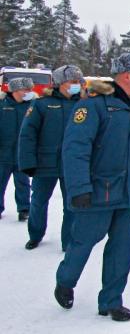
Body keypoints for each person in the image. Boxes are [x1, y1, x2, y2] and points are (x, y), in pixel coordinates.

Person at [54, 53, 130, 322]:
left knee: (121, 251)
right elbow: (75, 149)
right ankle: (65, 280)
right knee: (83, 242)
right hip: (98, 190)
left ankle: (111, 301)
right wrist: (79, 188)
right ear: (126, 76)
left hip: (128, 191)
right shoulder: (94, 106)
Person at [18, 65, 84, 251]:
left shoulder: (83, 104)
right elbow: (28, 135)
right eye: (72, 81)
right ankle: (35, 234)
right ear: (60, 83)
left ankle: (68, 241)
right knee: (39, 201)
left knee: (72, 205)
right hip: (44, 164)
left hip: (72, 165)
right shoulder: (41, 104)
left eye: (78, 81)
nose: (76, 85)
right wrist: (28, 163)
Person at [0, 77, 34, 221]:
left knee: (23, 183)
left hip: (22, 153)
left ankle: (24, 209)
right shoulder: (2, 105)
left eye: (29, 90)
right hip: (3, 153)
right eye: (25, 90)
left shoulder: (32, 106)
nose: (28, 92)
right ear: (15, 91)